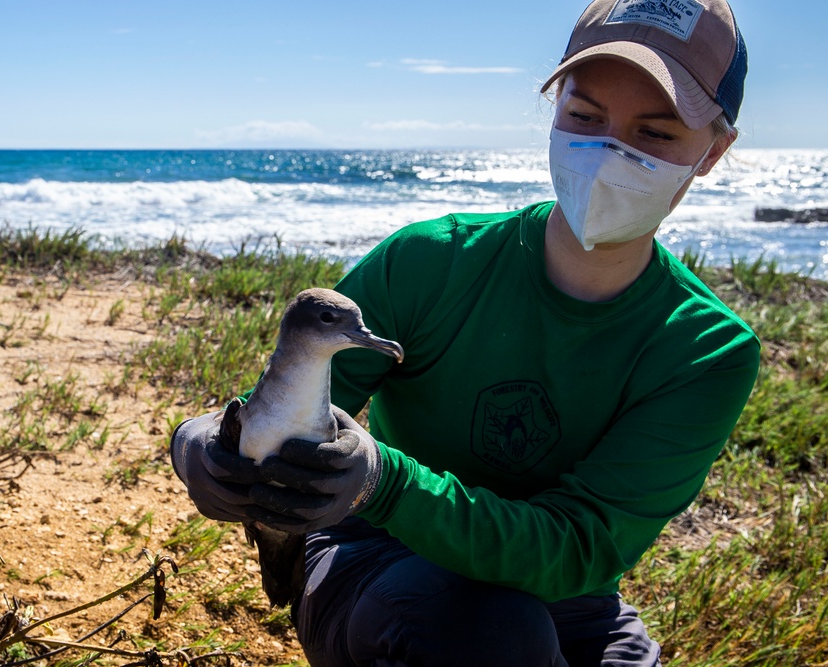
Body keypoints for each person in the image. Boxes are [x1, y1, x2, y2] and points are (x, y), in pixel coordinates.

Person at [170, 0, 760, 664]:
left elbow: (577, 549)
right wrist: (200, 446)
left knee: (517, 630)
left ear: (713, 149)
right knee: (489, 632)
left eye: (654, 133)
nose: (607, 153)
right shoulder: (430, 262)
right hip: (380, 567)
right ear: (556, 101)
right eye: (585, 116)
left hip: (571, 602)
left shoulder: (705, 349)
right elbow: (277, 412)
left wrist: (383, 479)